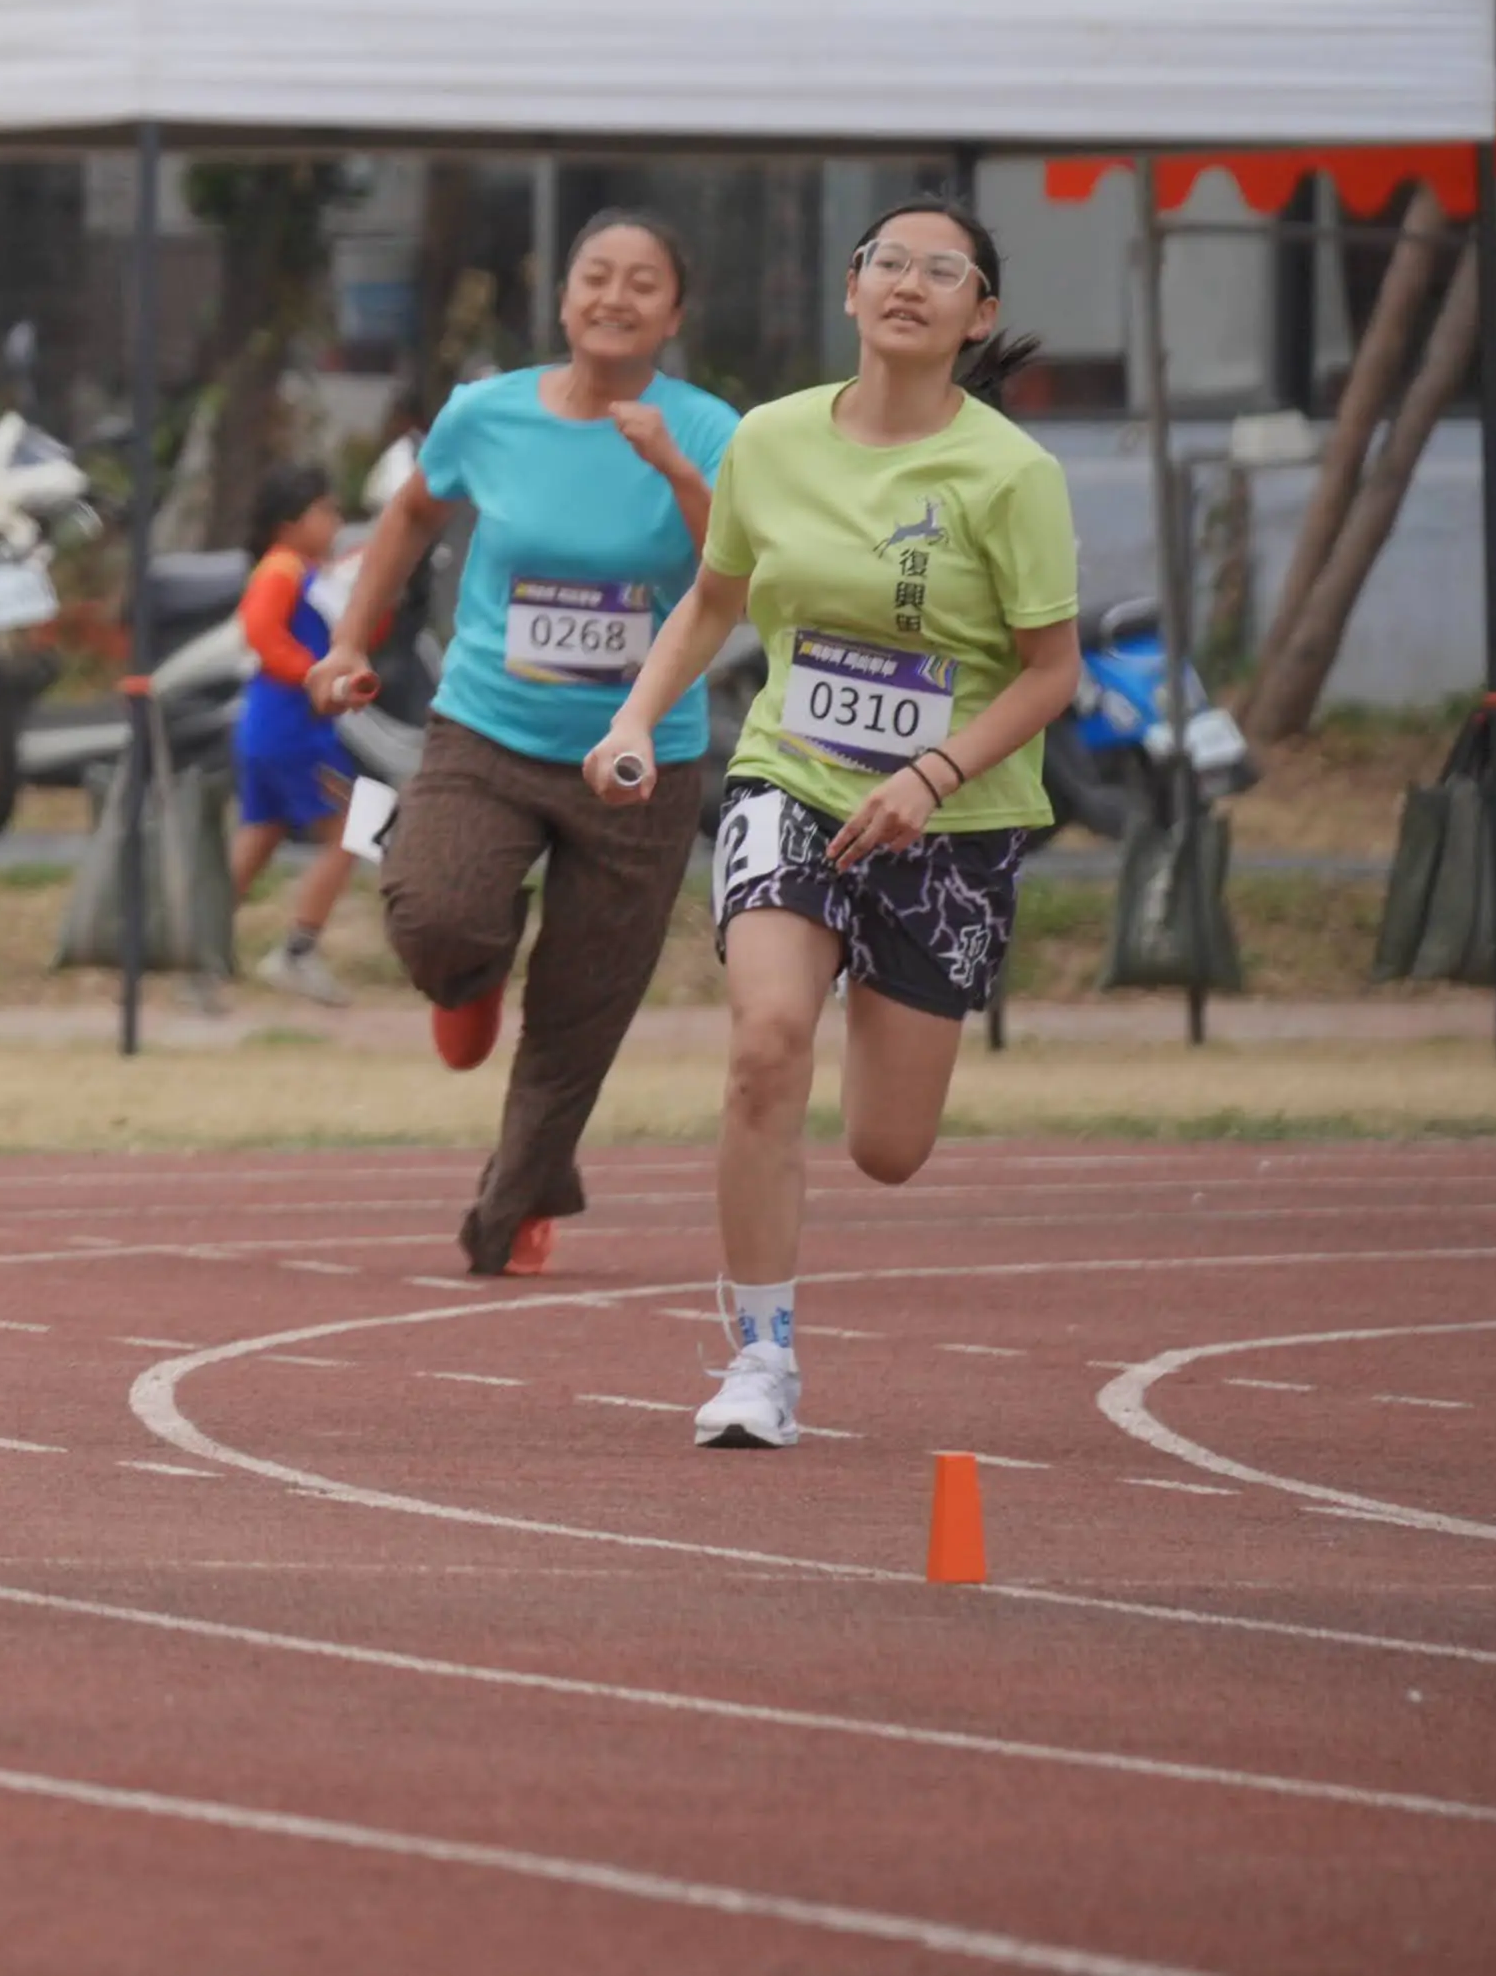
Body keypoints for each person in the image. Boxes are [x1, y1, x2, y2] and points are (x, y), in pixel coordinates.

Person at [586, 194, 1076, 1450]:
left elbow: (1049, 672)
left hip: (946, 822)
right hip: (789, 781)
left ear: (980, 313)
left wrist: (929, 776)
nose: (908, 282)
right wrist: (633, 716)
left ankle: (873, 971)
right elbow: (713, 600)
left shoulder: (1010, 475)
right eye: (886, 261)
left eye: (941, 270)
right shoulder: (768, 438)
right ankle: (760, 1358)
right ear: (850, 288)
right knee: (763, 1045)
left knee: (887, 1147)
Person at [308, 211, 743, 1275]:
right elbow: (410, 516)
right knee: (435, 912)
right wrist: (349, 641)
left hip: (639, 756)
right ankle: (465, 978)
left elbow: (737, 570)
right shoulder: (486, 412)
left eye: (642, 282)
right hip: (487, 727)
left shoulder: (709, 430)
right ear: (561, 297)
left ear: (673, 315)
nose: (614, 297)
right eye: (596, 275)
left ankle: (517, 1199)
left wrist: (674, 469)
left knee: (581, 1007)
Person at [230, 467, 361, 1003]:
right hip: (295, 731)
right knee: (355, 828)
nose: (335, 521)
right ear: (288, 523)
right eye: (324, 511)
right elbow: (261, 632)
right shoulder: (282, 569)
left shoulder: (307, 571)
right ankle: (297, 952)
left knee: (260, 835)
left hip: (268, 728)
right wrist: (315, 675)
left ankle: (199, 943)